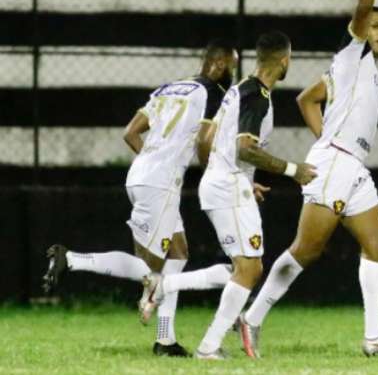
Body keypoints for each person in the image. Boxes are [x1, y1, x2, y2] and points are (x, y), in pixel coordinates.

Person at [238, 0, 378, 358]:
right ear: (361, 28)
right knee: (307, 249)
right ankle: (251, 317)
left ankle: (374, 336)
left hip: (350, 164)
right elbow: (364, 0)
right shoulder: (353, 53)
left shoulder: (357, 68)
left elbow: (306, 99)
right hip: (337, 162)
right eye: (376, 25)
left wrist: (327, 138)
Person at [41, 39, 240, 357]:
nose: (233, 73)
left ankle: (166, 340)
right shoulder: (213, 93)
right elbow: (205, 139)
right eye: (232, 66)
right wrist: (213, 175)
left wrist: (152, 162)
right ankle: (71, 259)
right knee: (151, 272)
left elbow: (130, 133)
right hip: (159, 184)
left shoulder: (167, 89)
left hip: (143, 175)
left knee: (178, 255)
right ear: (218, 65)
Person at [140, 31, 316, 360]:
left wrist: (234, 176)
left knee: (243, 268)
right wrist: (294, 170)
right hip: (227, 185)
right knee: (248, 269)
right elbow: (245, 148)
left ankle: (169, 293)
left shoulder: (236, 90)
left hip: (223, 183)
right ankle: (204, 340)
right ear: (285, 61)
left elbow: (207, 136)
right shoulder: (257, 96)